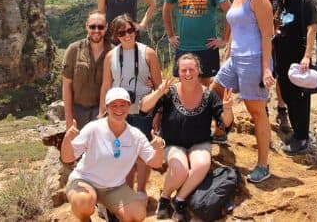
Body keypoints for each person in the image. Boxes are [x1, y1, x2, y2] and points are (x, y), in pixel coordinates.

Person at [140, 54, 234, 221]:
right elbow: (144, 108)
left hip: (200, 142)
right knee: (180, 170)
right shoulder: (169, 92)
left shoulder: (209, 95)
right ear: (178, 72)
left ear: (199, 71)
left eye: (192, 69)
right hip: (173, 143)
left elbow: (225, 124)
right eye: (184, 70)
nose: (188, 73)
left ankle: (180, 200)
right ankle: (165, 197)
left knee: (201, 165)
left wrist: (227, 109)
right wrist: (159, 92)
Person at [211, 0, 275, 183]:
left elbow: (268, 35)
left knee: (256, 111)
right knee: (215, 90)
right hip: (235, 57)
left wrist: (266, 69)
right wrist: (227, 51)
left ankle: (263, 164)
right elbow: (236, 28)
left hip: (253, 59)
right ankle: (221, 131)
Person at [62, 87, 165, 222]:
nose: (119, 109)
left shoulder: (135, 135)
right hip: (85, 181)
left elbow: (155, 163)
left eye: (123, 104)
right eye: (114, 105)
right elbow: (67, 158)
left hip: (114, 187)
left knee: (137, 214)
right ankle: (85, 219)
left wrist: (159, 147)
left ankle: (110, 211)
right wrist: (67, 139)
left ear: (129, 106)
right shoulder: (93, 128)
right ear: (107, 107)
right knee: (84, 202)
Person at [99, 14, 163, 196]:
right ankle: (126, 191)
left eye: (130, 30)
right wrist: (101, 112)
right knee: (123, 154)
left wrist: (159, 113)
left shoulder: (148, 53)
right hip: (119, 113)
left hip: (143, 110)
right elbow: (105, 85)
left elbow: (159, 86)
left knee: (143, 153)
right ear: (115, 36)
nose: (127, 35)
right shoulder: (111, 56)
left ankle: (141, 191)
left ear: (135, 30)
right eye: (122, 32)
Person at [163, 0, 231, 86]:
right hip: (184, 46)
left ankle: (204, 107)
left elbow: (229, 11)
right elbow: (166, 9)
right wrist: (170, 35)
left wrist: (224, 39)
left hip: (206, 46)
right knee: (184, 81)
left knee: (206, 81)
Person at [274, 0, 317, 154]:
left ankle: (302, 138)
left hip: (298, 57)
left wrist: (307, 55)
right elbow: (279, 23)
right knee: (287, 94)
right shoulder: (282, 3)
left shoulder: (305, 2)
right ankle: (296, 132)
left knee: (300, 97)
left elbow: (311, 29)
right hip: (282, 57)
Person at [255, 0, 291, 134]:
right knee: (265, 70)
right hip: (260, 32)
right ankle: (264, 108)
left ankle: (282, 109)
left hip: (281, 32)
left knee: (282, 72)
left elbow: (290, 1)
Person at [62, 10, 112, 129]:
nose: (96, 30)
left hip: (102, 112)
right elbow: (66, 85)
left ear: (106, 28)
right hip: (78, 112)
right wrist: (69, 118)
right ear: (86, 27)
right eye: (92, 26)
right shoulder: (74, 50)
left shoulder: (113, 52)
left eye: (100, 27)